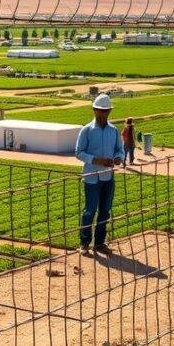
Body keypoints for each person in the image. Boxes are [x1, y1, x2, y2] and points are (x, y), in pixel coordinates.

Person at [74, 93, 123, 255]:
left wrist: (118, 158)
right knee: (90, 210)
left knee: (105, 210)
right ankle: (84, 242)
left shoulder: (114, 131)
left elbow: (120, 150)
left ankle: (100, 243)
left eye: (106, 111)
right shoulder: (86, 130)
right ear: (94, 110)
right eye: (100, 111)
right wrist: (96, 160)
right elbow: (79, 152)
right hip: (91, 177)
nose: (103, 114)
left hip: (108, 176)